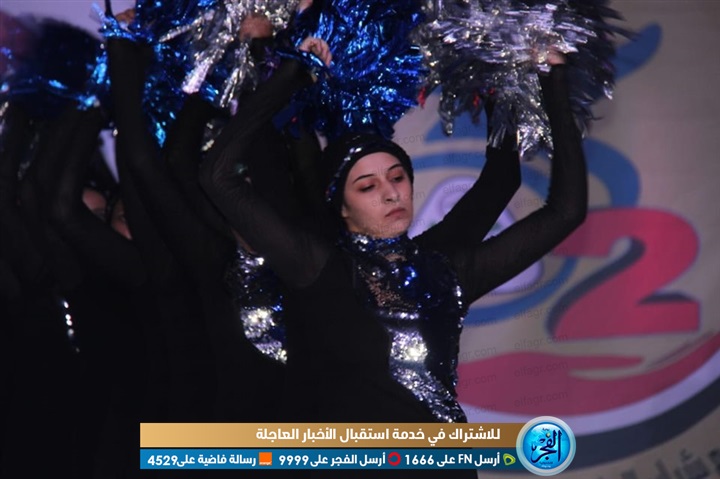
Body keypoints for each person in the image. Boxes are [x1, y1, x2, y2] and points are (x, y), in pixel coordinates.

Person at [199, 40, 585, 477]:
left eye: (398, 178)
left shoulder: (447, 270)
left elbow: (563, 210)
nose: (390, 194)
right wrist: (292, 73)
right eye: (367, 186)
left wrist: (549, 78)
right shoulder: (317, 267)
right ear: (342, 208)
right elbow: (217, 177)